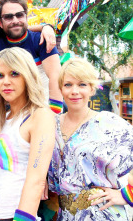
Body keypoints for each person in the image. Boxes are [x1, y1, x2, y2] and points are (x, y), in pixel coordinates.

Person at [47, 58, 133, 220]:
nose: (74, 91)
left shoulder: (109, 123)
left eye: (82, 85)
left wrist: (127, 195)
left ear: (92, 89)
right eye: (68, 85)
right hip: (65, 214)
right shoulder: (51, 124)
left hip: (104, 214)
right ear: (60, 89)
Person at [0, 47, 56, 220]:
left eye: (14, 73)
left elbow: (36, 180)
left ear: (28, 76)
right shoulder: (1, 119)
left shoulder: (40, 115)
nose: (5, 81)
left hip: (18, 215)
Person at [0, 0, 62, 114]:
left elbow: (56, 76)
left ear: (26, 17)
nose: (15, 20)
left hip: (40, 104)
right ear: (0, 23)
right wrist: (12, 73)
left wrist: (53, 114)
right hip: (12, 106)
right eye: (8, 17)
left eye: (19, 15)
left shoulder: (41, 40)